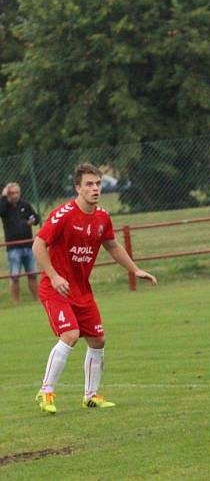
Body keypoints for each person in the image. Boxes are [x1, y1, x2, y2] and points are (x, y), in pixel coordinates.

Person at [32, 163, 157, 414]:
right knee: (69, 335)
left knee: (98, 339)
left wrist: (135, 269)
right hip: (56, 288)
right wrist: (55, 277)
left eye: (98, 183)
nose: (95, 188)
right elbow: (38, 245)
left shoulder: (102, 217)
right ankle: (45, 392)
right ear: (78, 188)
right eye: (89, 184)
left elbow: (112, 246)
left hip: (81, 290)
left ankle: (91, 396)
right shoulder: (64, 214)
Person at [1, 182, 41, 304]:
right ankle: (15, 303)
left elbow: (36, 218)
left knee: (33, 275)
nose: (15, 195)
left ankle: (37, 300)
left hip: (29, 246)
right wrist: (3, 196)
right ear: (8, 194)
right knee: (14, 277)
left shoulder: (25, 205)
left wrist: (33, 220)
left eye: (17, 192)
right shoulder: (4, 207)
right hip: (13, 248)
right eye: (12, 193)